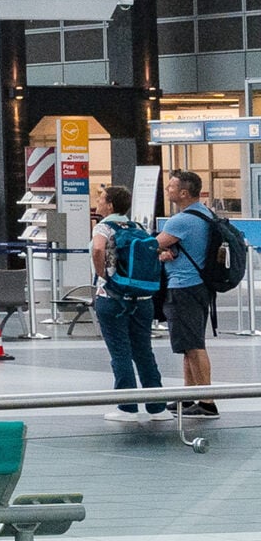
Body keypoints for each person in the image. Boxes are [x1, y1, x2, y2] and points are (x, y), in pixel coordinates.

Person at [90, 186, 169, 423]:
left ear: (111, 205)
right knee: (143, 351)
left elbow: (98, 248)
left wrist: (102, 274)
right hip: (143, 299)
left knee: (120, 351)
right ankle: (158, 408)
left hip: (112, 297)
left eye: (101, 199)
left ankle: (127, 407)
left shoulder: (103, 226)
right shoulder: (139, 227)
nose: (98, 203)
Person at [154, 169, 218, 419]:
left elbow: (152, 245)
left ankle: (208, 401)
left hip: (184, 287)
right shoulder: (204, 214)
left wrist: (158, 253)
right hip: (199, 286)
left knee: (193, 345)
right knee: (188, 344)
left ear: (183, 192)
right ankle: (189, 396)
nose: (168, 190)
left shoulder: (180, 221)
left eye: (171, 186)